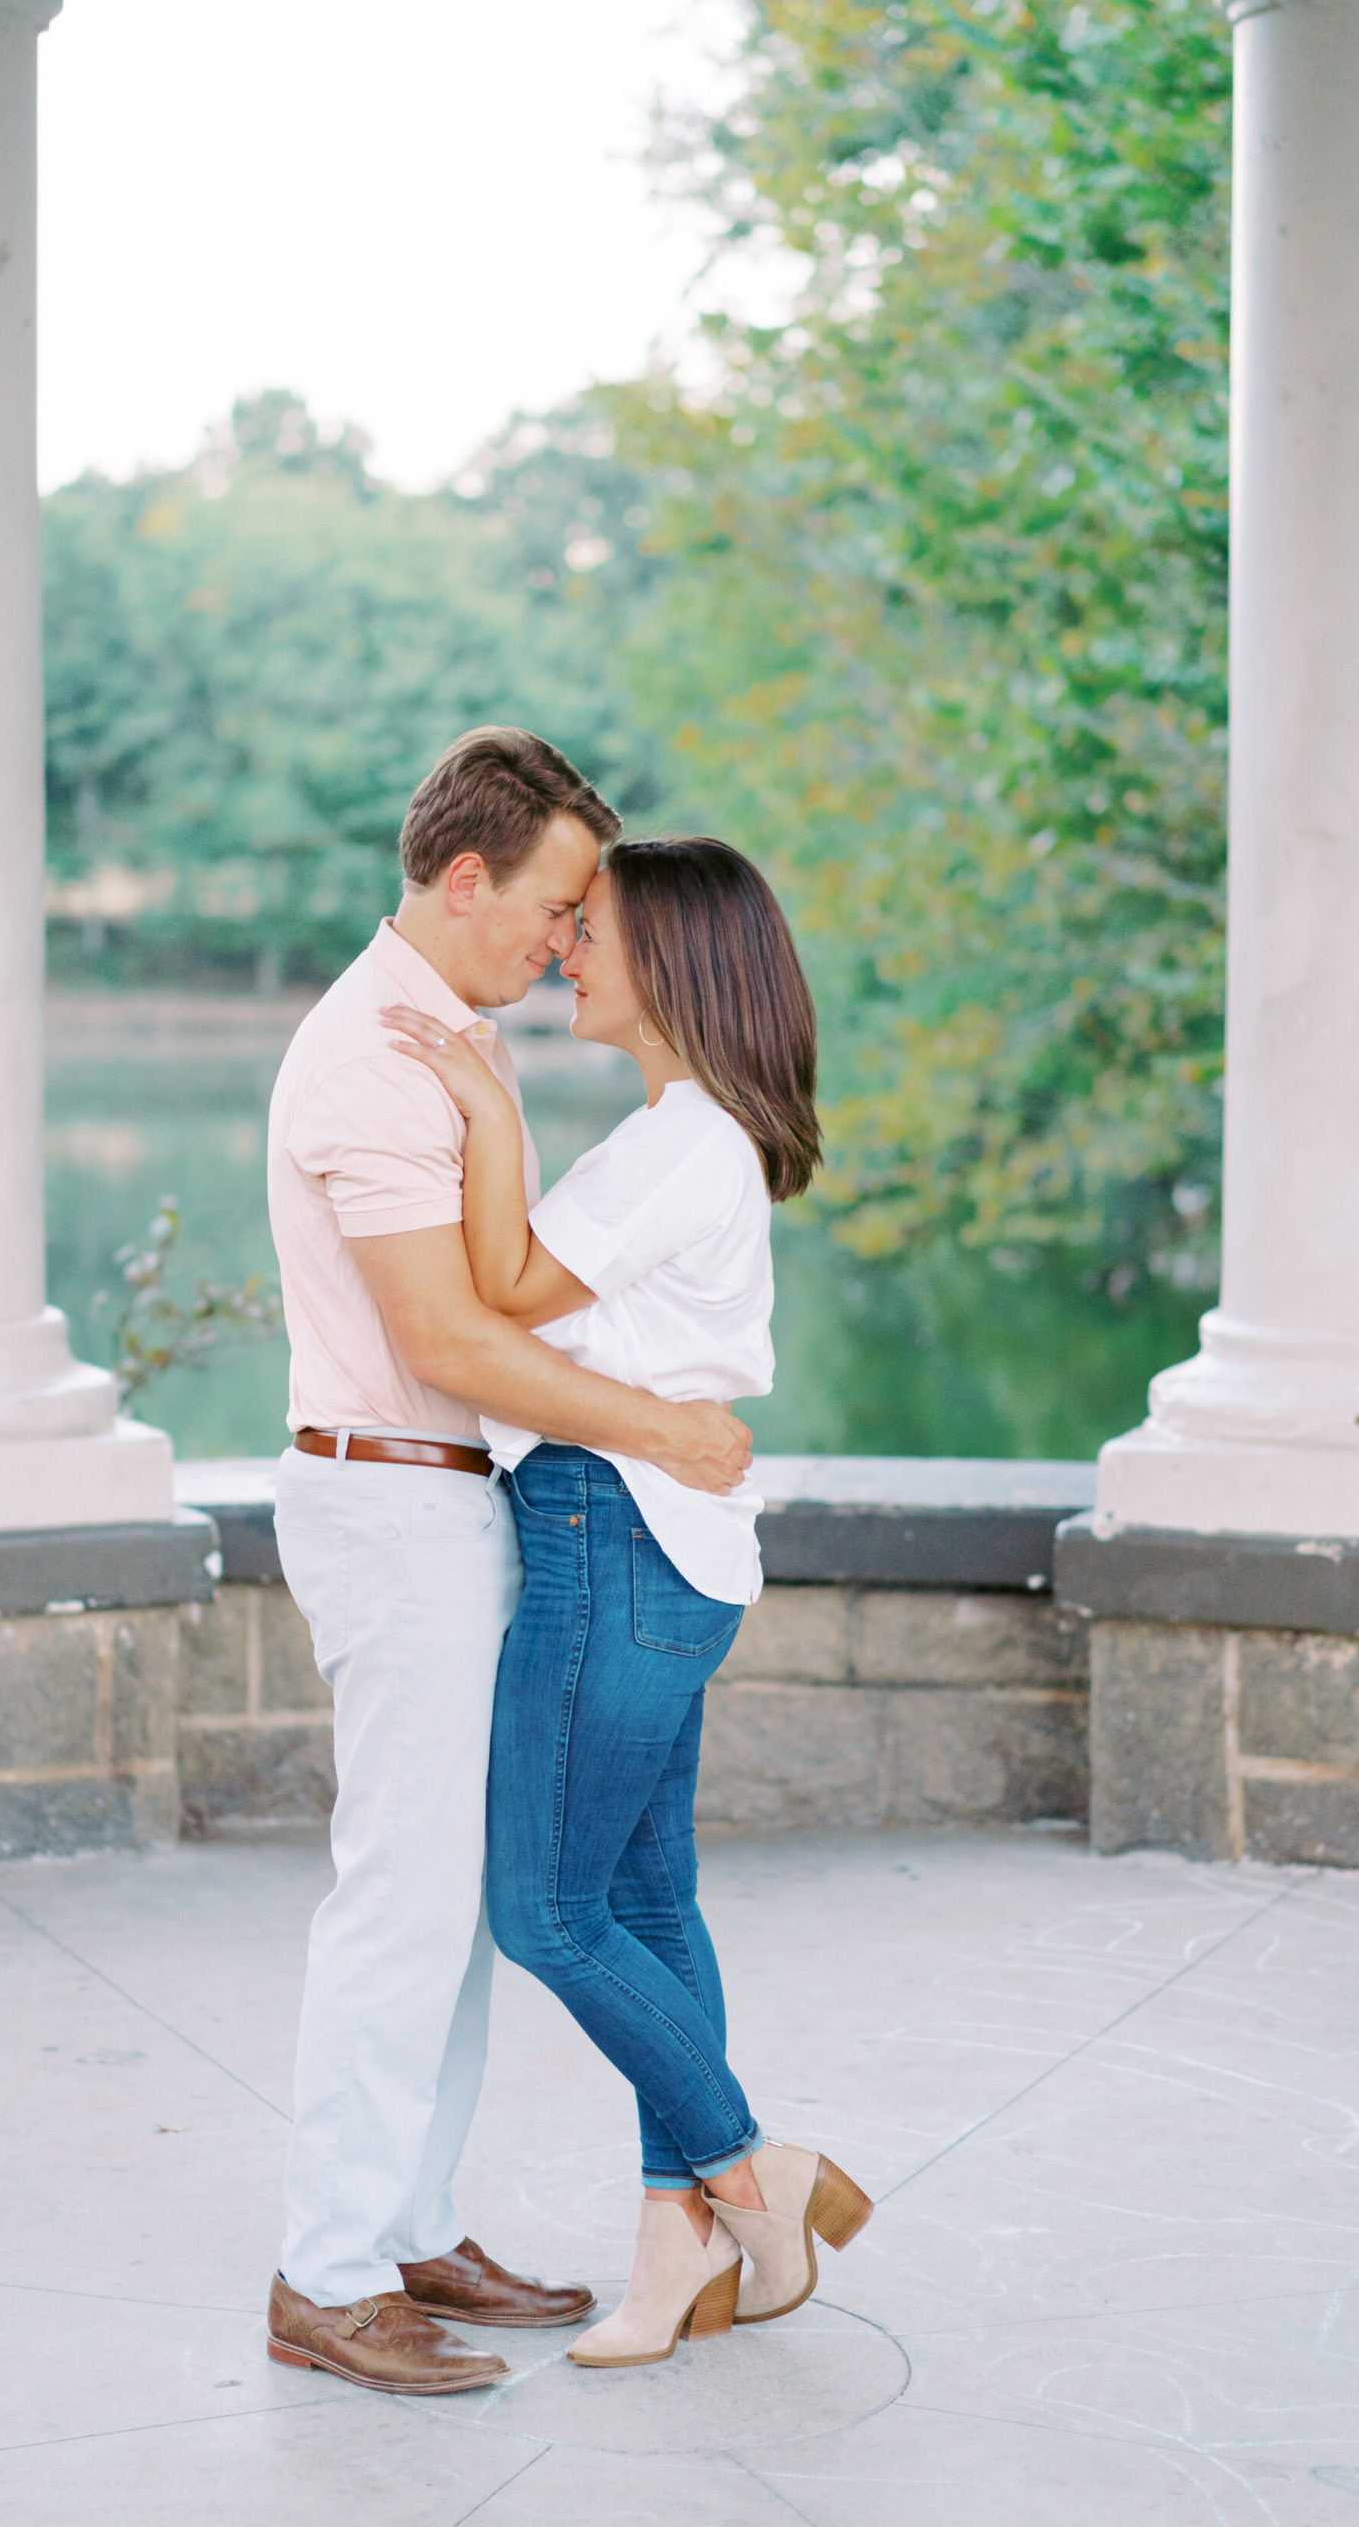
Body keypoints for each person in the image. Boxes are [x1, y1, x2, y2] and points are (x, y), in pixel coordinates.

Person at [262, 732, 755, 2397]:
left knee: (464, 1905)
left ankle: (407, 2223)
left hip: (454, 1501)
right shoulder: (372, 1063)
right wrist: (660, 1428)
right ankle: (326, 2274)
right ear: (463, 880)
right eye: (553, 904)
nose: (566, 938)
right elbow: (450, 1334)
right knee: (405, 1899)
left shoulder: (452, 1042)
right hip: (394, 1498)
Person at [383, 835, 874, 2373]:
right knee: (648, 1908)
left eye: (592, 932)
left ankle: (751, 2175)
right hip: (660, 1545)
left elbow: (507, 1294)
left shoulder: (682, 1145)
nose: (567, 952)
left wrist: (481, 1105)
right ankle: (680, 2256)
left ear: (674, 962)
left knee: (543, 1908)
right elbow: (537, 1289)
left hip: (614, 1540)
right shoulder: (691, 1133)